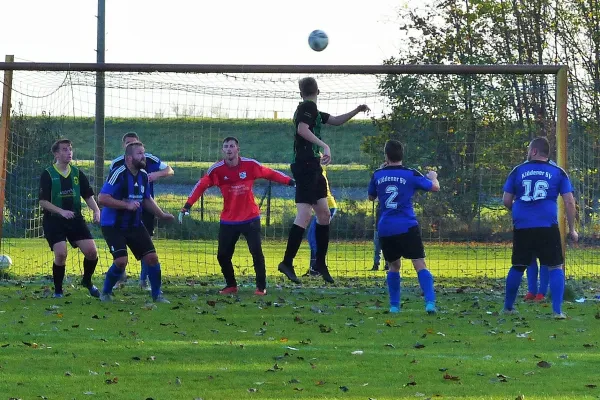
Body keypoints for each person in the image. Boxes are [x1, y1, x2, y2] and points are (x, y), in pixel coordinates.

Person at [278, 76, 370, 284]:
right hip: (305, 165)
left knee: (324, 214)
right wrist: (324, 145)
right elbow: (302, 129)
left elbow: (336, 120)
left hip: (313, 165)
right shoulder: (307, 106)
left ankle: (319, 262)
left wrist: (356, 110)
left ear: (301, 91)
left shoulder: (315, 112)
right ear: (318, 91)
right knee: (304, 213)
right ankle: (287, 262)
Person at [179, 137, 295, 295]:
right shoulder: (216, 170)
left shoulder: (250, 165)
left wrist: (290, 181)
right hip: (228, 220)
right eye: (226, 146)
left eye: (232, 146)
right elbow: (201, 185)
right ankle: (231, 285)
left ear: (237, 149)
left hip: (250, 218)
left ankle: (261, 287)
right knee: (222, 255)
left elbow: (270, 173)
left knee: (256, 252)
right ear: (222, 151)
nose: (229, 149)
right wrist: (187, 205)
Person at [502, 136, 578, 319]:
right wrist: (572, 229)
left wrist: (519, 209)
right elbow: (569, 201)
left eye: (529, 149)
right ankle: (557, 311)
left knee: (518, 266)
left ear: (534, 151)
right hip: (547, 226)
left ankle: (508, 307)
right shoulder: (558, 172)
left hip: (523, 227)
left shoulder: (518, 170)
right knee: (555, 267)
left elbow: (506, 200)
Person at [368, 140, 440, 314]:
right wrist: (433, 177)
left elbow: (371, 197)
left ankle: (394, 306)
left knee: (394, 266)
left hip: (386, 227)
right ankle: (430, 303)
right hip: (407, 226)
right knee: (419, 264)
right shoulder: (410, 173)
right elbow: (435, 188)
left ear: (386, 155)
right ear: (402, 155)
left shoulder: (378, 174)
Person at [98, 141, 175, 303]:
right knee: (121, 262)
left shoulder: (144, 176)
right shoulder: (118, 173)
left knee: (152, 258)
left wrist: (161, 214)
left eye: (144, 153)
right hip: (113, 225)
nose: (144, 157)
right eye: (139, 154)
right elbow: (102, 198)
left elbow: (147, 199)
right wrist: (126, 205)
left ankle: (157, 295)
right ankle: (105, 292)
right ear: (128, 158)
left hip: (134, 224)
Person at [39, 139, 101, 298]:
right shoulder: (48, 174)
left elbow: (87, 195)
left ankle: (87, 281)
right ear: (56, 154)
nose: (69, 153)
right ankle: (58, 291)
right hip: (54, 220)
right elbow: (43, 202)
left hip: (75, 219)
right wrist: (61, 211)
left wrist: (96, 210)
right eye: (65, 150)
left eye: (70, 149)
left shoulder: (77, 173)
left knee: (92, 252)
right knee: (61, 254)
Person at [305, 168, 337, 277]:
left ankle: (317, 267)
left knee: (314, 238)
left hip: (327, 206)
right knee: (312, 237)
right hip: (325, 206)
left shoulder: (315, 170)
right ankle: (313, 268)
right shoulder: (315, 169)